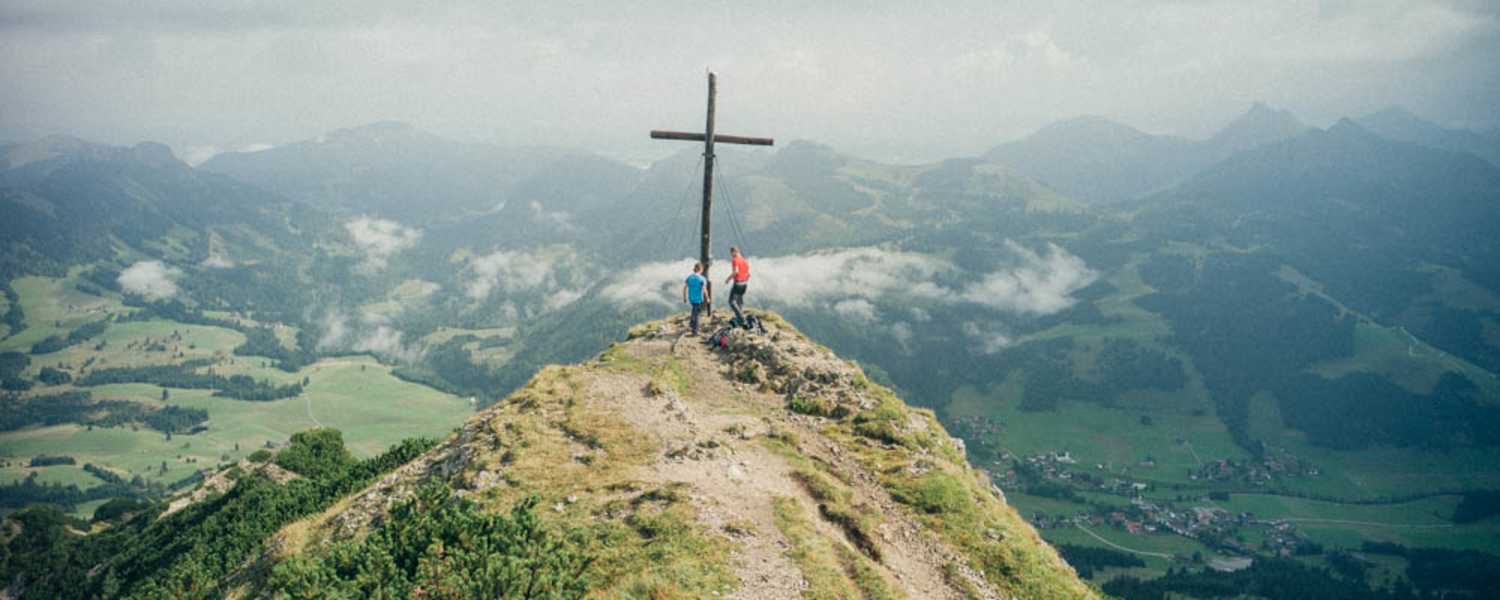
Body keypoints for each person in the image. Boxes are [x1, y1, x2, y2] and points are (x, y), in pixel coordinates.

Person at [724, 246, 750, 322]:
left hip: (738, 282)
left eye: (731, 253)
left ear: (734, 252)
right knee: (739, 299)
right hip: (745, 283)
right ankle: (740, 315)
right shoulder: (744, 260)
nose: (731, 255)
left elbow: (735, 272)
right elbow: (748, 272)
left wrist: (728, 279)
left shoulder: (735, 260)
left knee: (731, 301)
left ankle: (740, 317)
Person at [683, 262, 709, 334]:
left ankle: (692, 323)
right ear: (701, 269)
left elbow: (685, 288)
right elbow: (704, 289)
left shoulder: (689, 277)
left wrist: (684, 297)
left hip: (691, 298)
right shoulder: (702, 279)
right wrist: (707, 298)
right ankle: (695, 330)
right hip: (698, 298)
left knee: (694, 310)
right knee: (697, 314)